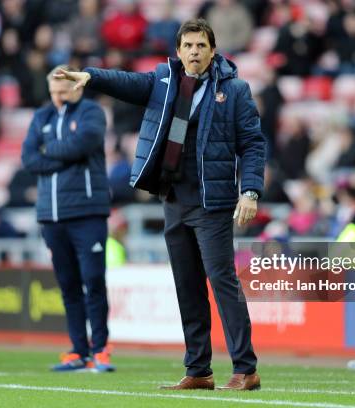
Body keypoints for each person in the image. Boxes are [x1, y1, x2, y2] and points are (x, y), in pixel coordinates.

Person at [56, 18, 265, 390]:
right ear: (179, 51)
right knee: (187, 285)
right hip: (174, 198)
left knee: (221, 281)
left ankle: (245, 368)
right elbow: (126, 82)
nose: (195, 52)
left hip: (212, 201)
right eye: (188, 46)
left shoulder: (234, 91)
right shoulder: (164, 83)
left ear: (213, 51)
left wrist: (249, 192)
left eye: (202, 46)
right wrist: (91, 76)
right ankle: (199, 370)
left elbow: (252, 144)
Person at [21, 64, 113, 373]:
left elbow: (82, 144)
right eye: (53, 93)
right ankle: (78, 350)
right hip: (51, 216)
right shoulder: (42, 116)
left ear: (77, 87)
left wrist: (50, 151)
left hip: (87, 212)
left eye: (63, 92)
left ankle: (100, 349)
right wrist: (61, 157)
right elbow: (29, 159)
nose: (58, 99)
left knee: (93, 281)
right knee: (69, 285)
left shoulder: (92, 113)